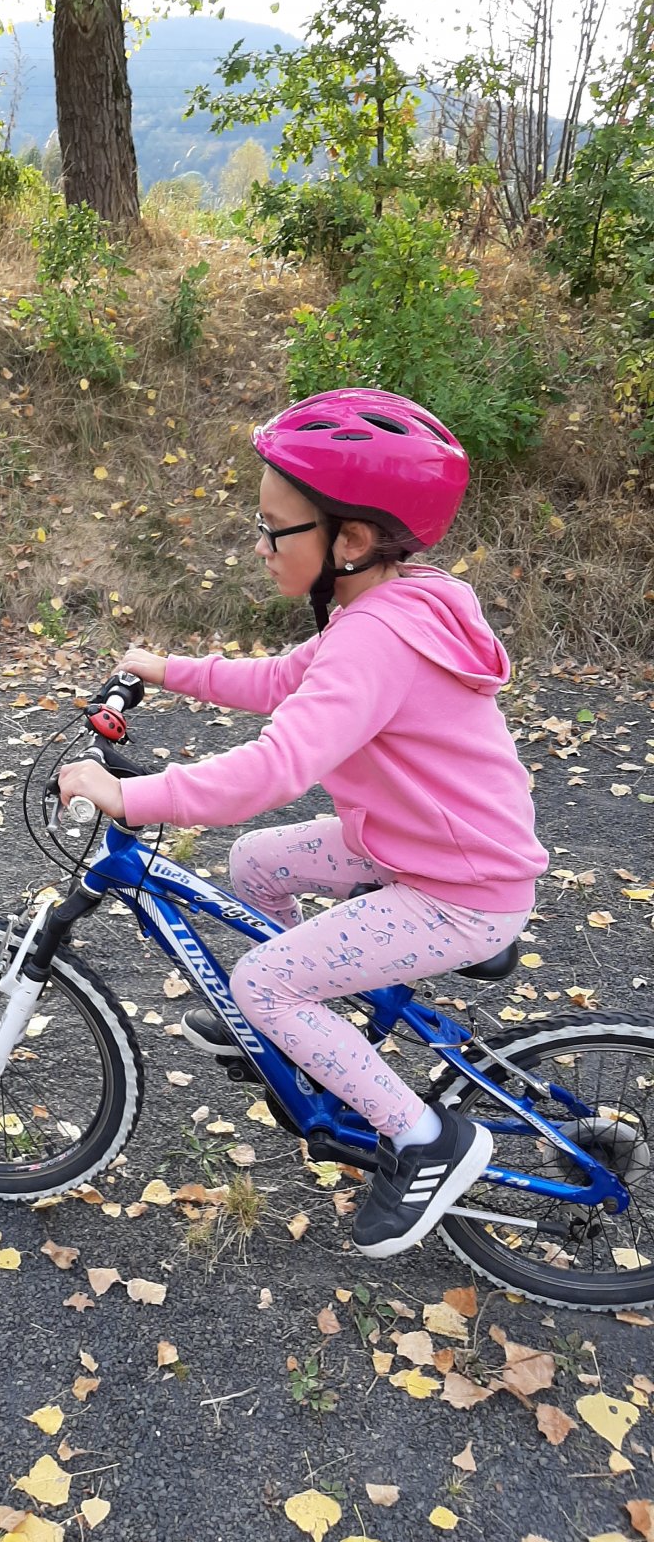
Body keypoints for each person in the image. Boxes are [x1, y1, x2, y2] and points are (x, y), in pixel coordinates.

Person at [58, 387, 548, 1258]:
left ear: (349, 540)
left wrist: (129, 795)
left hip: (457, 888)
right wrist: (167, 669)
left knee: (264, 983)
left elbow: (274, 768)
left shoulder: (376, 639)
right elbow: (286, 679)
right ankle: (299, 1034)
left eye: (273, 528)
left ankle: (426, 1139)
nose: (260, 546)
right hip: (424, 846)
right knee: (256, 864)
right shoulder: (395, 601)